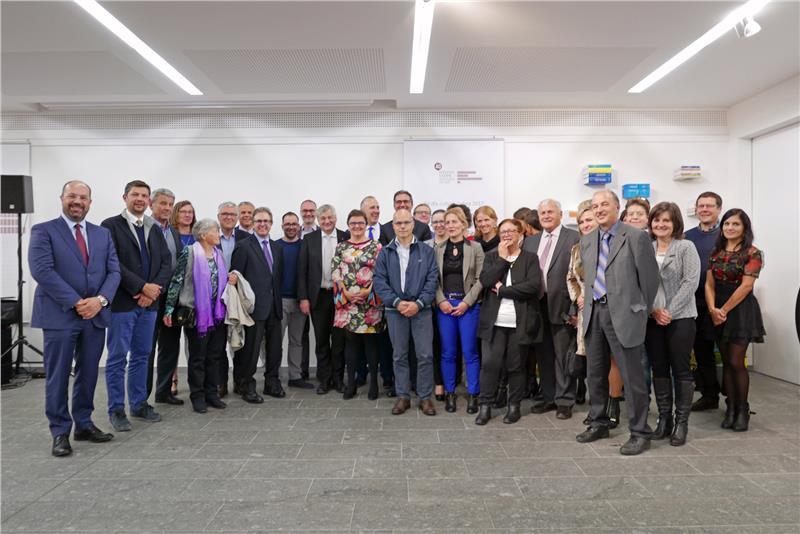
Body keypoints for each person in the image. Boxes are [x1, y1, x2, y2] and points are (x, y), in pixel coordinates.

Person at [29, 181, 121, 456]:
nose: (77, 201)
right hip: (60, 315)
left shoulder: (102, 234)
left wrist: (99, 301)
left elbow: (114, 271)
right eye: (72, 196)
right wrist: (77, 302)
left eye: (83, 197)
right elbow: (42, 271)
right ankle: (59, 431)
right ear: (62, 198)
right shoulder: (44, 230)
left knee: (89, 373)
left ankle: (83, 423)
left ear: (90, 202)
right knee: (58, 376)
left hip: (95, 315)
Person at [576, 190, 658, 456]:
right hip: (594, 314)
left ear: (617, 207)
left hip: (624, 315)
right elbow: (589, 278)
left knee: (632, 377)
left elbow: (649, 281)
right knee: (595, 373)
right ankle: (598, 422)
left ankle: (640, 432)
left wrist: (639, 311)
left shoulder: (636, 237)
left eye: (604, 204)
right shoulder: (587, 240)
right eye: (595, 206)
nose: (599, 209)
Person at [101, 180, 171, 432]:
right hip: (123, 303)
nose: (140, 199)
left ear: (149, 201)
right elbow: (113, 263)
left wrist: (153, 291)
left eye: (144, 195)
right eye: (135, 195)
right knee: (118, 358)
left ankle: (139, 404)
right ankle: (116, 410)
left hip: (149, 305)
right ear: (125, 198)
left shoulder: (154, 227)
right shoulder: (111, 226)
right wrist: (141, 287)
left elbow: (166, 263)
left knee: (142, 355)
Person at [163, 219, 237, 413]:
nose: (219, 234)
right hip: (197, 315)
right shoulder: (189, 253)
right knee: (197, 358)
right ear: (204, 235)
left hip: (218, 315)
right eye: (215, 230)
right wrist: (169, 308)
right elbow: (177, 280)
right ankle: (197, 396)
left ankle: (212, 394)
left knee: (214, 356)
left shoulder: (219, 254)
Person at [475, 218, 542, 425]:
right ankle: (485, 406)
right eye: (503, 231)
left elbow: (532, 286)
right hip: (494, 323)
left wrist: (504, 290)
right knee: (489, 364)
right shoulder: (492, 256)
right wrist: (502, 260)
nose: (507, 235)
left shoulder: (530, 258)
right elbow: (486, 281)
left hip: (520, 322)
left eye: (511, 231)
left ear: (520, 234)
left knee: (516, 366)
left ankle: (514, 406)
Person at [374, 209, 439, 416]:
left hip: (422, 311)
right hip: (395, 311)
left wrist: (418, 303)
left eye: (406, 222)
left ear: (413, 224)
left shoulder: (426, 251)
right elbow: (379, 281)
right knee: (399, 355)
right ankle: (403, 396)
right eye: (398, 223)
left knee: (425, 355)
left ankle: (425, 397)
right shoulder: (385, 252)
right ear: (393, 226)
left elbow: (432, 280)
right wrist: (397, 302)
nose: (402, 226)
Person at [646, 202, 701, 446]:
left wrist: (669, 311)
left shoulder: (685, 247)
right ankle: (664, 420)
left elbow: (691, 282)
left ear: (675, 223)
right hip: (652, 318)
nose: (660, 224)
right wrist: (654, 311)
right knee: (658, 369)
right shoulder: (646, 248)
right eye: (656, 220)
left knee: (681, 369)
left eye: (666, 220)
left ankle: (681, 423)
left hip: (681, 318)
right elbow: (640, 284)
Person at [705, 208, 765, 432]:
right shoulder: (716, 252)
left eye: (736, 224)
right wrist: (712, 309)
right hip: (717, 308)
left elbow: (747, 286)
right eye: (727, 224)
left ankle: (742, 409)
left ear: (744, 228)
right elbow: (709, 284)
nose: (730, 228)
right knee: (726, 361)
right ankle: (730, 408)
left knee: (736, 361)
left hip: (741, 310)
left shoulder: (753, 253)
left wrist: (723, 310)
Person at [523, 199, 580, 419]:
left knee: (563, 355)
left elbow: (579, 275)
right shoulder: (530, 241)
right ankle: (548, 397)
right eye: (543, 213)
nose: (546, 216)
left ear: (560, 214)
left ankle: (564, 400)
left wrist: (575, 308)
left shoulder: (573, 237)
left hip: (563, 304)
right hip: (536, 305)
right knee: (544, 354)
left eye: (550, 212)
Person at [231, 207, 284, 401]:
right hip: (253, 308)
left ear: (271, 224)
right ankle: (246, 385)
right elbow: (236, 278)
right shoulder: (243, 246)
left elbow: (277, 278)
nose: (262, 224)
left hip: (274, 307)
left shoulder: (277, 248)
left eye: (266, 221)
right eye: (259, 221)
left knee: (275, 349)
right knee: (250, 350)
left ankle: (272, 382)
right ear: (253, 224)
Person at [434, 207, 484, 413]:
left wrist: (467, 302)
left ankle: (473, 394)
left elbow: (481, 279)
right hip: (445, 307)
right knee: (448, 352)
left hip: (468, 307)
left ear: (464, 224)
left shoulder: (475, 248)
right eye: (447, 222)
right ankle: (450, 393)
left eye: (454, 222)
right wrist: (440, 301)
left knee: (470, 352)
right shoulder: (438, 249)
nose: (450, 226)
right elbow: (433, 279)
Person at [332, 209, 385, 400]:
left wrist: (367, 291)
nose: (357, 226)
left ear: (366, 224)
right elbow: (335, 272)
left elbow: (381, 271)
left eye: (360, 223)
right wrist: (346, 293)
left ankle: (373, 384)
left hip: (370, 302)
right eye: (353, 223)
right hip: (348, 303)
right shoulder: (341, 246)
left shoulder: (376, 246)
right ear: (348, 225)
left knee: (371, 344)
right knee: (351, 344)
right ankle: (351, 384)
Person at [298, 204, 347, 394]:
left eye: (329, 217)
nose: (327, 221)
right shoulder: (309, 239)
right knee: (321, 341)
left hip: (341, 297)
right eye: (323, 218)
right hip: (318, 297)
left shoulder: (345, 236)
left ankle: (338, 379)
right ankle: (325, 380)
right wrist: (303, 298)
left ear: (335, 218)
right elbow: (302, 271)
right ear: (318, 220)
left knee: (339, 341)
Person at [685, 192, 723, 411]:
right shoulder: (687, 236)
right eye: (701, 206)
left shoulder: (726, 234)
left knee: (729, 355)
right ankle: (710, 395)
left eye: (709, 206)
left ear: (719, 209)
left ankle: (735, 400)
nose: (705, 209)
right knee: (702, 352)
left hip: (723, 304)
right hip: (695, 304)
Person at [148, 188, 186, 406]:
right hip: (149, 297)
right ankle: (141, 398)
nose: (167, 208)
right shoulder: (144, 228)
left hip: (171, 298)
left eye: (170, 204)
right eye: (162, 203)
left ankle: (163, 392)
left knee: (170, 347)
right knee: (147, 349)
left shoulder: (173, 232)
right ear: (151, 204)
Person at [216, 201, 252, 397]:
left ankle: (240, 382)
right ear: (218, 217)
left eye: (232, 214)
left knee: (240, 340)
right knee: (218, 342)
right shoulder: (211, 236)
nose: (229, 217)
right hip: (215, 297)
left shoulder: (246, 238)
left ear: (237, 218)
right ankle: (220, 383)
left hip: (238, 296)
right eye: (225, 214)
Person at [276, 212, 314, 390]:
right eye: (287, 224)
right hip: (280, 301)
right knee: (276, 342)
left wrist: (305, 298)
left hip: (300, 300)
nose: (291, 227)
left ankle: (295, 376)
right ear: (282, 226)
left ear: (299, 226)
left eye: (293, 224)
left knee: (297, 340)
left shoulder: (305, 245)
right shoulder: (275, 246)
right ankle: (273, 375)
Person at [566, 201, 595, 410]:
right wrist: (578, 297)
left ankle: (605, 404)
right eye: (582, 222)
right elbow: (571, 278)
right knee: (588, 357)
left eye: (589, 220)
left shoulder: (610, 245)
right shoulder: (576, 249)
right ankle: (596, 407)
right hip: (584, 310)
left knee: (603, 359)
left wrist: (590, 295)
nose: (585, 224)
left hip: (605, 308)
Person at [425, 209, 448, 401]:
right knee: (435, 344)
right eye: (436, 222)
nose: (439, 225)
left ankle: (452, 382)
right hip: (430, 302)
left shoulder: (456, 243)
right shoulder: (424, 246)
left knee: (450, 345)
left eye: (443, 221)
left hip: (452, 302)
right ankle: (438, 382)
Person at [299, 199, 318, 379]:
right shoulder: (294, 233)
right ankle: (302, 371)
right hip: (301, 291)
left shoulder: (323, 232)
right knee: (301, 334)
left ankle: (325, 372)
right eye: (305, 211)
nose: (308, 214)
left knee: (323, 336)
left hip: (320, 293)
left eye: (311, 210)